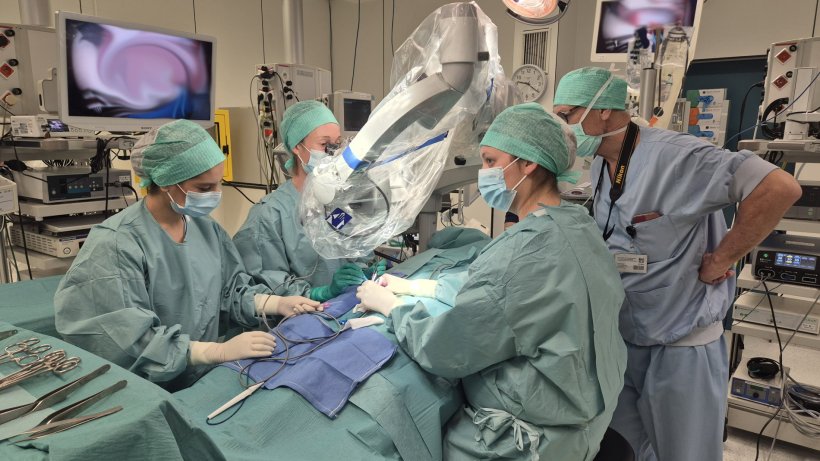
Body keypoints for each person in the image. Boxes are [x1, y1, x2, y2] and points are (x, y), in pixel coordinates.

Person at [552, 66, 803, 461]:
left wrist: (724, 257)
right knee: (625, 448)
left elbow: (779, 187)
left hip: (679, 343)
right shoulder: (602, 162)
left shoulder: (677, 156)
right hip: (628, 336)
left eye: (567, 115)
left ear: (601, 111)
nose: (563, 126)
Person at [355, 103, 627, 460]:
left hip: (530, 442)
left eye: (489, 161)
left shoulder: (522, 251)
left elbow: (447, 350)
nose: (484, 174)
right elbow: (514, 298)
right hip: (590, 422)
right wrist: (424, 287)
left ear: (528, 163)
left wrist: (393, 307)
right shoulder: (578, 226)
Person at [54, 120, 319, 390]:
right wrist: (214, 352)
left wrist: (274, 304)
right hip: (147, 388)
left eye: (219, 185)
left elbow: (229, 293)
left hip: (203, 380)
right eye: (204, 188)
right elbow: (125, 338)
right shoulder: (117, 243)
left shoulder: (206, 228)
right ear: (166, 181)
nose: (216, 195)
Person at [234, 100, 382, 302]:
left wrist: (366, 268)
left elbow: (353, 246)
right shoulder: (269, 216)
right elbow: (265, 285)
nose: (333, 152)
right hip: (297, 321)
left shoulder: (336, 204)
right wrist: (320, 293)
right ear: (297, 147)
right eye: (324, 144)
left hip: (343, 309)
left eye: (337, 144)